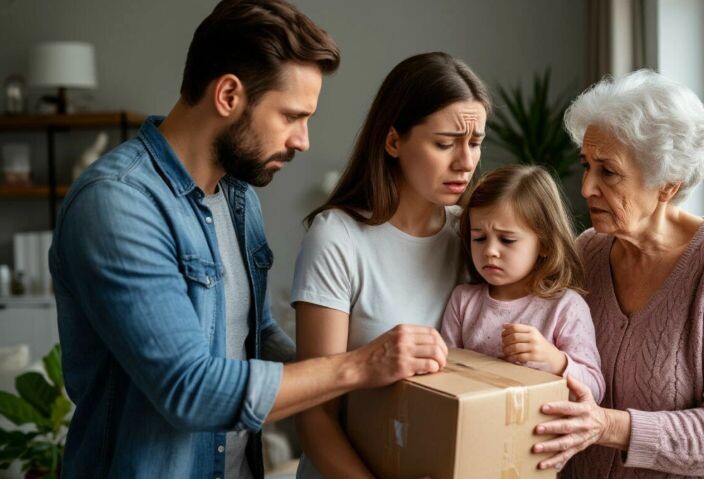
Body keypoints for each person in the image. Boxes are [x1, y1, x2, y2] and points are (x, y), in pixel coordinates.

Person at [49, 2, 447, 477]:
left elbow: (252, 336)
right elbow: (189, 390)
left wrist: (358, 371)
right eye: (291, 116)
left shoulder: (238, 197)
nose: (302, 140)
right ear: (228, 95)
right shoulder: (116, 203)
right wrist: (357, 366)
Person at [527, 69, 704, 477]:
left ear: (667, 185)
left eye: (608, 172)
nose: (586, 188)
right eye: (587, 165)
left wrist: (608, 426)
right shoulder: (588, 250)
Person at [291, 52, 490, 478]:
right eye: (445, 143)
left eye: (475, 143)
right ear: (394, 141)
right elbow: (314, 415)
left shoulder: (475, 238)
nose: (465, 162)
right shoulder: (337, 237)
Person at [439, 165, 604, 400]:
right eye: (479, 238)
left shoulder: (566, 307)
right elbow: (444, 374)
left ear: (545, 244)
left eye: (507, 240)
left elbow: (595, 390)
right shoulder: (463, 301)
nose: (490, 251)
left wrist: (555, 361)